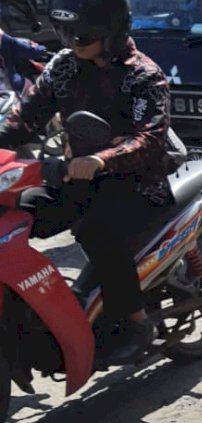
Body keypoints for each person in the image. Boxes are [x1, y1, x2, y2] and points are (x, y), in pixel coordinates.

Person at [1, 0, 176, 365]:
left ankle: (136, 322)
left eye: (82, 36)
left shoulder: (144, 75)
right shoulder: (64, 66)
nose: (73, 43)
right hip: (75, 178)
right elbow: (25, 118)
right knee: (16, 210)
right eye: (66, 33)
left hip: (137, 185)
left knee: (96, 229)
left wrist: (99, 159)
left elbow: (149, 139)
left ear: (111, 32)